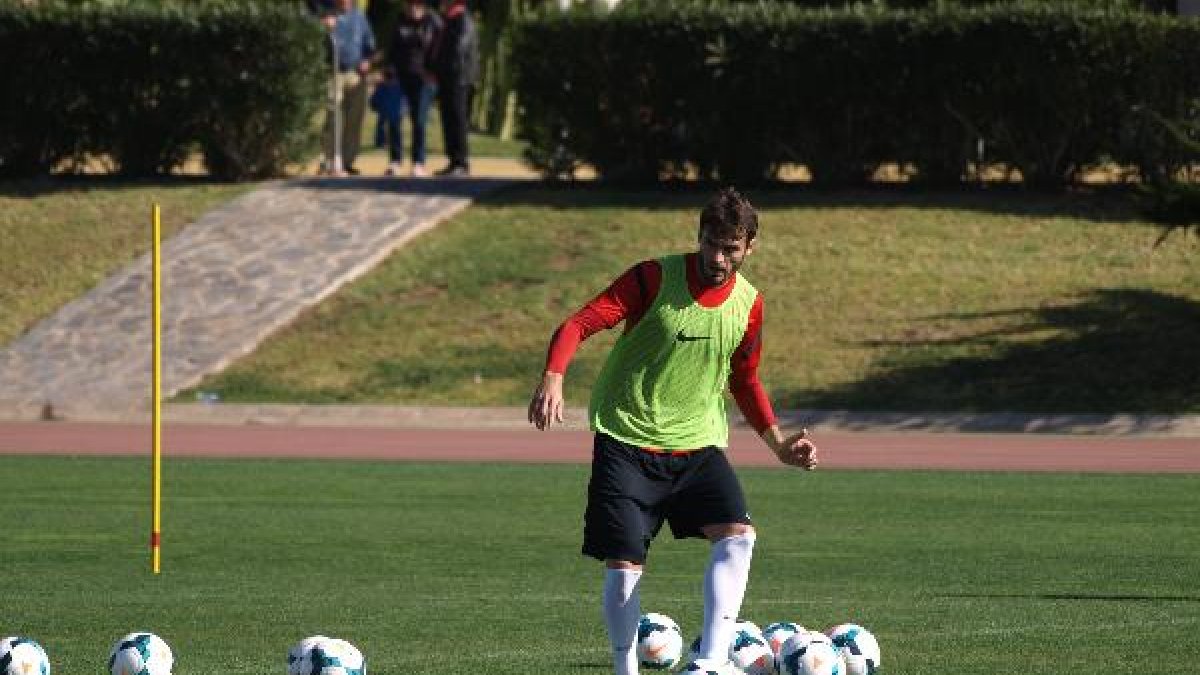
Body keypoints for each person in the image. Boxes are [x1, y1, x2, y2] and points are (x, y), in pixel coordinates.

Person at [527, 187, 820, 675]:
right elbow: (578, 323)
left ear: (750, 247)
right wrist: (553, 377)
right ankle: (626, 669)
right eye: (711, 243)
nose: (718, 257)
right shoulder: (652, 277)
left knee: (738, 536)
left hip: (697, 445)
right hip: (626, 438)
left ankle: (709, 663)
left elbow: (744, 380)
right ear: (699, 236)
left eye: (731, 248)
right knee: (624, 567)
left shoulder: (749, 305)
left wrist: (779, 445)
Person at [387, 0, 442, 178]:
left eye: (417, 5)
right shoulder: (399, 22)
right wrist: (390, 70)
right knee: (395, 117)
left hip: (423, 79)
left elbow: (440, 49)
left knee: (419, 120)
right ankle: (395, 161)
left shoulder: (433, 22)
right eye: (410, 5)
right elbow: (392, 49)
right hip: (400, 77)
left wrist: (433, 71)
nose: (413, 9)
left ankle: (419, 162)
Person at [321, 0, 376, 176]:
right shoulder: (328, 15)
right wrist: (326, 28)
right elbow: (319, 45)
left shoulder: (360, 17)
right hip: (334, 72)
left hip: (356, 74)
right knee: (333, 115)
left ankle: (347, 160)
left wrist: (367, 61)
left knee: (355, 118)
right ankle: (330, 160)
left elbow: (369, 44)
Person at [432, 0, 479, 177]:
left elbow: (459, 49)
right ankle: (453, 160)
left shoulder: (462, 20)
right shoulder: (449, 20)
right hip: (447, 77)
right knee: (448, 119)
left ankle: (461, 162)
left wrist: (446, 69)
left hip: (458, 78)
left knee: (457, 119)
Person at [370, 66, 406, 176]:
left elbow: (373, 102)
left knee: (395, 135)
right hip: (386, 114)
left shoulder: (399, 87)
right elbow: (373, 102)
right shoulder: (382, 87)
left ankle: (396, 162)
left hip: (395, 115)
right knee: (386, 131)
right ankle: (393, 160)